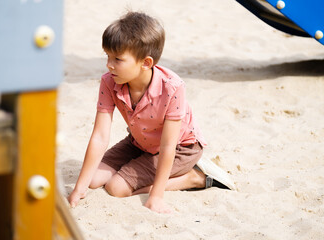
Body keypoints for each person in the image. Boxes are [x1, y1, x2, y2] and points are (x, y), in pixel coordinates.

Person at [68, 11, 234, 214]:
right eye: (107, 56)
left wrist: (156, 196)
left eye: (118, 59)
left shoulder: (172, 87)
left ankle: (194, 177)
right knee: (93, 180)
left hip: (180, 148)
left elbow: (167, 146)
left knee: (116, 188)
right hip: (139, 142)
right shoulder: (109, 81)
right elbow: (100, 136)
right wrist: (79, 188)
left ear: (146, 63)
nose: (109, 64)